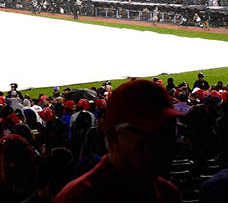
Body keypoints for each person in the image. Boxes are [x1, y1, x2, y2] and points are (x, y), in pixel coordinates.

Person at [53, 80, 182, 202]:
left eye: (169, 130)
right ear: (113, 138)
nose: (165, 144)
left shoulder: (169, 193)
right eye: (150, 134)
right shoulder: (77, 198)